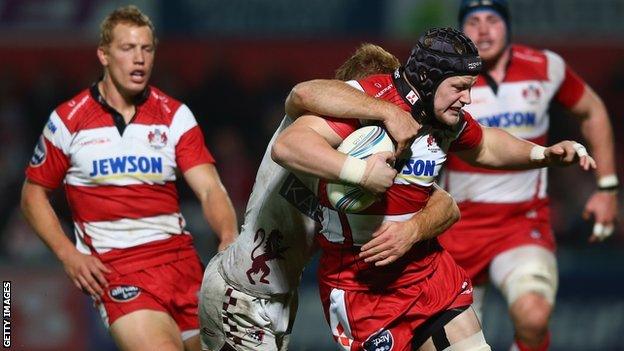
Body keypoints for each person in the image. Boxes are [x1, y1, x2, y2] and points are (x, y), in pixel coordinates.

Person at [274, 27, 595, 351]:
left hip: (428, 273)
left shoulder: (444, 119)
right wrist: (360, 172)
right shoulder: (369, 104)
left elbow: (485, 145)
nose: (467, 98)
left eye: (469, 88)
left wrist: (543, 155)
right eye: (459, 87)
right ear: (428, 77)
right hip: (363, 289)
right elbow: (288, 145)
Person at [199, 43, 461, 351]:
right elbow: (301, 96)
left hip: (279, 298)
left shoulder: (373, 152)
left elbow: (444, 203)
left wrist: (412, 230)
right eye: (379, 92)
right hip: (241, 294)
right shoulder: (313, 127)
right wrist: (383, 116)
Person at [20, 5, 238, 351]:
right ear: (103, 55)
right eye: (128, 48)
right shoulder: (68, 120)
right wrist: (68, 254)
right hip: (119, 272)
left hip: (183, 266)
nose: (139, 59)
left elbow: (211, 188)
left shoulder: (174, 115)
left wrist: (228, 238)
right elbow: (32, 196)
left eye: (146, 49)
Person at [437, 1, 621, 350]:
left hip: (522, 222)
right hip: (455, 227)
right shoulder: (443, 79)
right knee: (455, 344)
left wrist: (607, 188)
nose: (484, 28)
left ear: (507, 26)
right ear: (462, 31)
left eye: (493, 19)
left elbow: (592, 110)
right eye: (473, 21)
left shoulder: (545, 67)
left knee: (534, 316)